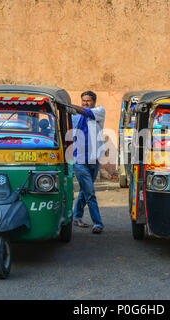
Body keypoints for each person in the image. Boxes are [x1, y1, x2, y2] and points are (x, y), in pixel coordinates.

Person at [68, 91, 105, 234]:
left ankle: (76, 216)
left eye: (88, 101)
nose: (85, 103)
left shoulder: (99, 111)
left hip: (93, 159)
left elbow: (86, 111)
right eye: (83, 100)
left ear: (94, 102)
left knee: (85, 190)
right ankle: (98, 223)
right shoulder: (75, 116)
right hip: (79, 160)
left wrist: (71, 105)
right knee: (90, 192)